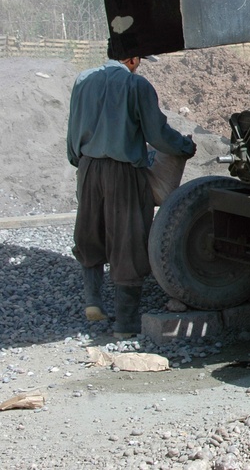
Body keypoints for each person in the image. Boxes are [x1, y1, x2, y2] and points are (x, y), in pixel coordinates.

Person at [67, 41, 196, 338]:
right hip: (123, 172)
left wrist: (83, 163)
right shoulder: (137, 86)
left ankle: (93, 303)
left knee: (89, 233)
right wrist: (184, 146)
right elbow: (157, 134)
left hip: (87, 167)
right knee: (128, 240)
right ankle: (125, 325)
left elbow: (73, 131)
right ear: (132, 58)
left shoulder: (83, 80)